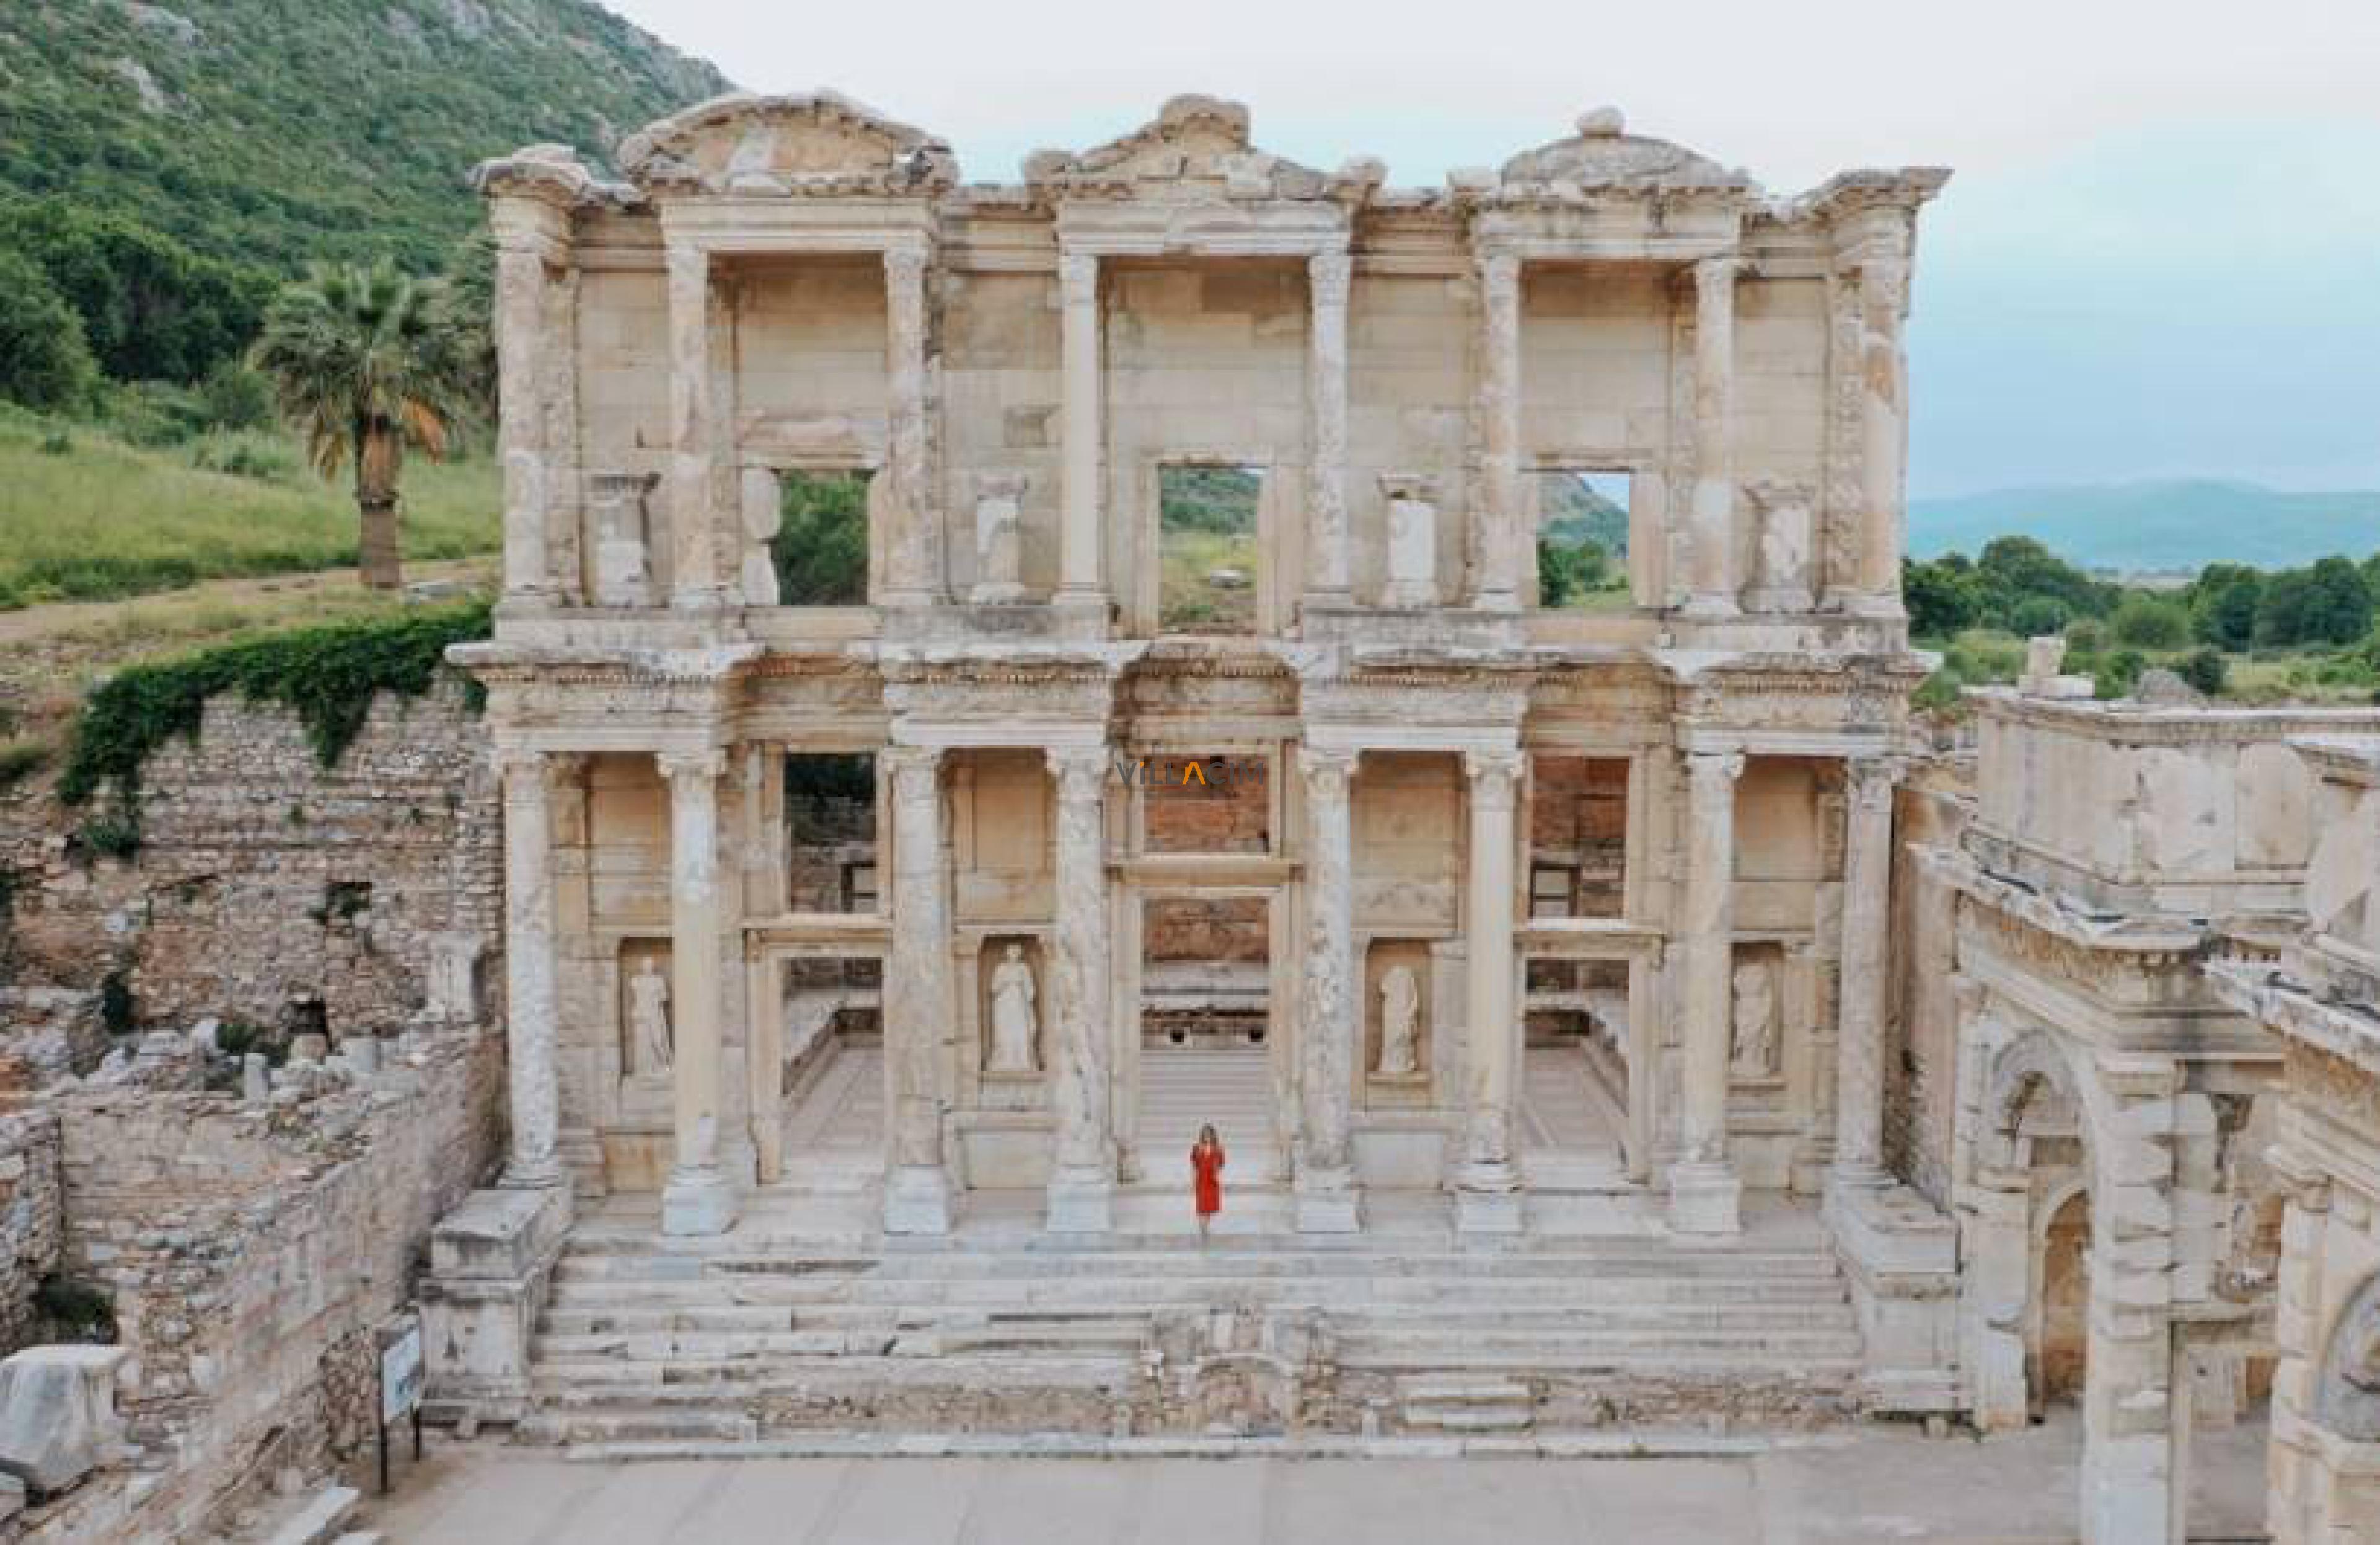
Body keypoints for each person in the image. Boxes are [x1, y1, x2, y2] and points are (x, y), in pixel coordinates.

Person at [1191, 1122, 1226, 1242]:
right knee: (1201, 1206)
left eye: (1209, 1134)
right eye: (1205, 1135)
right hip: (1201, 1180)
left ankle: (1205, 1226)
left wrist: (1216, 1171)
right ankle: (1203, 1228)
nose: (1207, 1137)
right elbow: (1194, 1164)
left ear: (1213, 1135)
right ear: (1202, 1136)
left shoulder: (1218, 1149)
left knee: (1210, 1207)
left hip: (1212, 1180)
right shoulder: (1197, 1148)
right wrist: (1193, 1179)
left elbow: (1221, 1163)